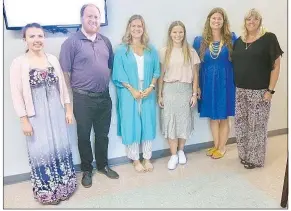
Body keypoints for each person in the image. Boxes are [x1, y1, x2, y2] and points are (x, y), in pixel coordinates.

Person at [9, 23, 77, 205]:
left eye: (40, 36)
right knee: (41, 151)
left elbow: (63, 87)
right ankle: (48, 192)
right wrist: (24, 121)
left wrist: (68, 110)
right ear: (25, 39)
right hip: (35, 116)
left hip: (56, 112)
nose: (37, 40)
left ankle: (65, 187)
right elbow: (16, 94)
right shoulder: (19, 63)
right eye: (32, 36)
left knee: (60, 147)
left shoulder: (52, 59)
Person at [59, 4, 119, 188]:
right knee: (83, 136)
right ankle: (87, 169)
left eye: (96, 17)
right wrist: (74, 94)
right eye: (89, 16)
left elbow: (110, 66)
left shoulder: (105, 41)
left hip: (104, 97)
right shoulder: (71, 42)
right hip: (82, 99)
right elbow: (65, 73)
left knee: (102, 135)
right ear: (82, 19)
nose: (93, 20)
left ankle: (103, 165)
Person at [232, 8, 283, 169]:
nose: (251, 22)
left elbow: (276, 66)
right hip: (241, 90)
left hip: (260, 91)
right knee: (241, 124)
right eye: (248, 19)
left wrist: (270, 90)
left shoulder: (269, 38)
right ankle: (245, 154)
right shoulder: (239, 41)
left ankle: (255, 159)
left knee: (257, 126)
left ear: (260, 21)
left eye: (255, 19)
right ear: (244, 22)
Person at [112, 15, 160, 173]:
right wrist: (132, 90)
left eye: (139, 26)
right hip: (128, 92)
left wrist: (151, 86)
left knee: (147, 122)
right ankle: (135, 159)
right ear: (129, 28)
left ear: (143, 28)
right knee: (131, 123)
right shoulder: (121, 50)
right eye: (133, 26)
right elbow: (118, 73)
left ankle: (147, 157)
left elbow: (156, 71)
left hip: (148, 90)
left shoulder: (151, 49)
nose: (136, 29)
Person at [193, 8, 237, 159]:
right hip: (208, 83)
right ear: (209, 21)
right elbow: (195, 66)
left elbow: (239, 60)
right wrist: (197, 86)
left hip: (226, 83)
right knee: (213, 116)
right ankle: (216, 145)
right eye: (214, 18)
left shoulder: (231, 39)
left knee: (224, 116)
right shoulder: (200, 41)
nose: (216, 21)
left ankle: (222, 147)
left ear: (223, 21)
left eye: (219, 18)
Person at [158, 21, 200, 170]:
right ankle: (173, 155)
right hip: (169, 90)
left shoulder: (191, 51)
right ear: (170, 33)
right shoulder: (164, 51)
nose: (178, 35)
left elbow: (195, 75)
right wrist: (160, 95)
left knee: (184, 122)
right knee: (170, 123)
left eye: (180, 32)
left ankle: (181, 151)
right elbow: (161, 75)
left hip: (185, 90)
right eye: (175, 32)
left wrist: (194, 94)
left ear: (184, 33)